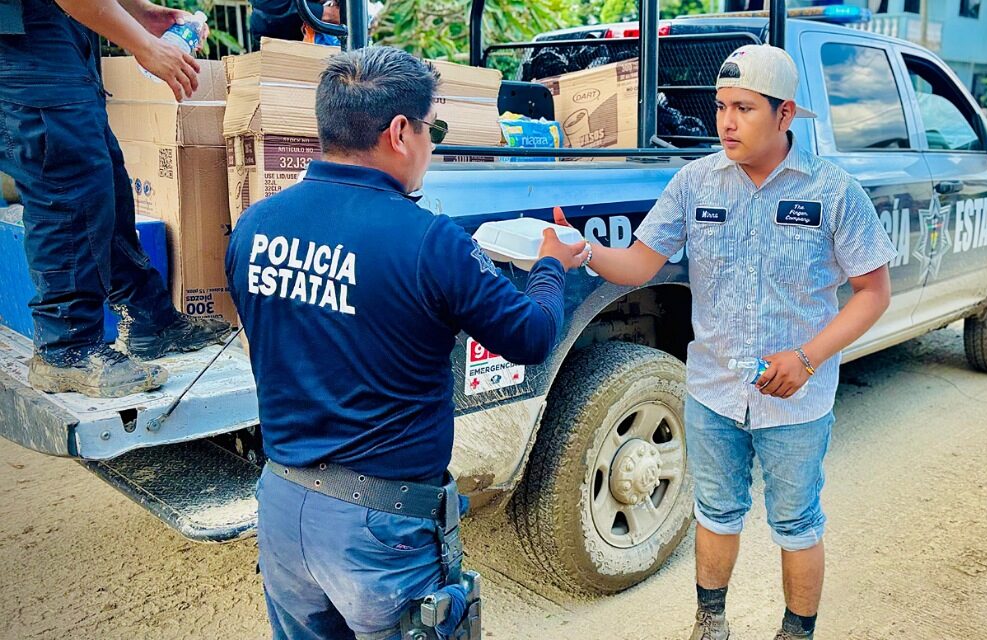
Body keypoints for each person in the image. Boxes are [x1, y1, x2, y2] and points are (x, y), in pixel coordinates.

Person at [225, 46, 587, 640]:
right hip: (380, 532)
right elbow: (533, 335)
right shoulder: (429, 242)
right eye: (431, 128)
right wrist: (549, 265)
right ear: (400, 132)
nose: (432, 144)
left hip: (283, 507)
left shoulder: (255, 227)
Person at [544, 44, 895, 640]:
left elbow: (872, 292)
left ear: (785, 115)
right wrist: (583, 251)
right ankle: (710, 624)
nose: (726, 122)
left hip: (796, 398)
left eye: (744, 108)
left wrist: (808, 358)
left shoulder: (835, 193)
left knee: (797, 521)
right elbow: (638, 264)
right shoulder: (695, 182)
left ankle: (796, 631)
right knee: (716, 512)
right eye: (720, 106)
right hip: (713, 390)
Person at [0, 0, 231, 398]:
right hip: (22, 40)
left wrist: (138, 13)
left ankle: (149, 318)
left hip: (55, 25)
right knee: (66, 182)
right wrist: (145, 44)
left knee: (102, 180)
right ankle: (66, 347)